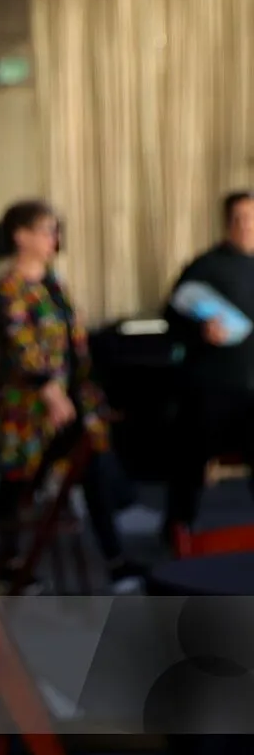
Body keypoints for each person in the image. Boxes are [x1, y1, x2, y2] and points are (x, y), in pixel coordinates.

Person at [0, 201, 144, 592]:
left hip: (75, 394)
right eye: (45, 230)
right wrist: (51, 392)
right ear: (21, 236)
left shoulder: (54, 282)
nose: (53, 238)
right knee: (21, 480)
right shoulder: (9, 287)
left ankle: (114, 558)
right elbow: (21, 345)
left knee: (91, 464)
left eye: (55, 230)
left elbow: (72, 338)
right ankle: (8, 560)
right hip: (31, 406)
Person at [161, 190, 254, 537]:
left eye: (251, 218)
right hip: (210, 388)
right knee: (188, 461)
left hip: (252, 390)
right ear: (227, 223)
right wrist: (200, 330)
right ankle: (177, 528)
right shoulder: (204, 267)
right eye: (238, 218)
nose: (245, 225)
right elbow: (170, 318)